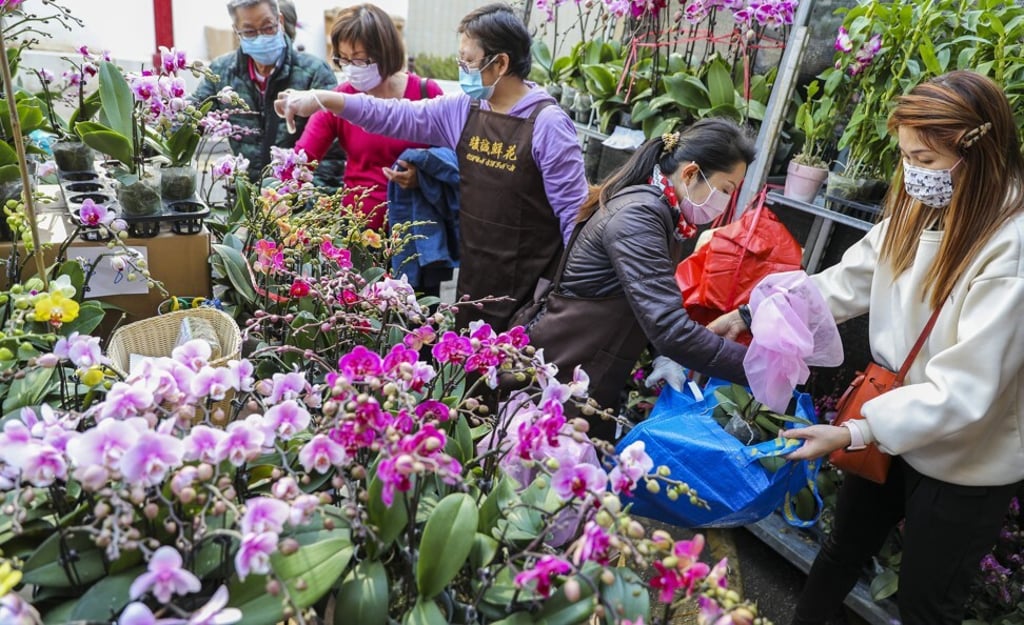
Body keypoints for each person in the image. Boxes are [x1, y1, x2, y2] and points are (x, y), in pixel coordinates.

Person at [710, 71, 1024, 625]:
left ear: (980, 152)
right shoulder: (917, 208)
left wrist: (856, 430)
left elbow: (965, 389)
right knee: (839, 552)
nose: (912, 173)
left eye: (925, 159)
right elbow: (842, 284)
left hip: (965, 457)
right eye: (906, 157)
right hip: (891, 417)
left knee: (929, 603)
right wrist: (749, 313)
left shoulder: (1009, 248)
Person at [275, 2, 588, 332]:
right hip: (476, 273)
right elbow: (392, 115)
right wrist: (324, 99)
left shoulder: (548, 124)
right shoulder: (464, 109)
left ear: (501, 63)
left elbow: (573, 217)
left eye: (467, 60)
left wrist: (572, 297)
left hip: (531, 282)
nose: (462, 69)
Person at [525, 118, 754, 440]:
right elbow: (670, 327)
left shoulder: (662, 214)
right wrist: (761, 367)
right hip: (565, 373)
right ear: (690, 173)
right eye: (726, 189)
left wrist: (659, 353)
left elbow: (641, 296)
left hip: (586, 370)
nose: (726, 202)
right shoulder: (639, 217)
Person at [294, 3, 444, 231]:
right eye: (343, 59)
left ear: (384, 52)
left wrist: (423, 177)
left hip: (420, 233)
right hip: (360, 233)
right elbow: (302, 158)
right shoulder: (340, 100)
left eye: (359, 59)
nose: (351, 68)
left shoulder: (426, 93)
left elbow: (453, 160)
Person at [190, 0, 339, 181]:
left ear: (280, 21)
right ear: (237, 31)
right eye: (250, 32)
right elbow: (191, 117)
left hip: (299, 197)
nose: (261, 37)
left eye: (268, 28)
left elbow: (333, 154)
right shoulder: (222, 72)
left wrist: (302, 197)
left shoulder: (314, 74)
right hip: (246, 199)